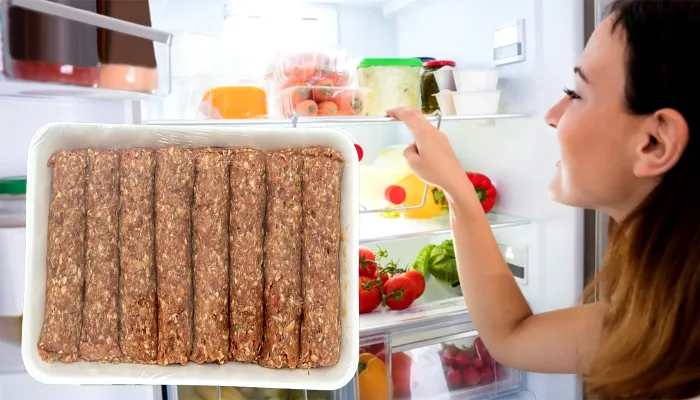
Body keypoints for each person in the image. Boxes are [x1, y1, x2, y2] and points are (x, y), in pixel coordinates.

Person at [388, 0, 700, 399]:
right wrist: (457, 190)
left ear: (655, 143)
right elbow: (512, 337)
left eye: (576, 93)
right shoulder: (671, 316)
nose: (553, 115)